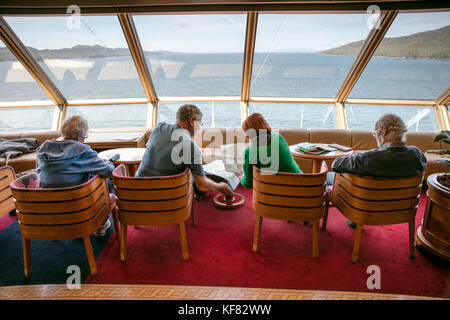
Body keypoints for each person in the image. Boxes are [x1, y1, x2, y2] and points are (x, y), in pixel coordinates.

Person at [331, 113, 427, 228]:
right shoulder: (417, 154)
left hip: (367, 207)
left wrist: (358, 157)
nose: (375, 135)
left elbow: (336, 165)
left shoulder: (369, 158)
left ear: (383, 131)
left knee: (331, 176)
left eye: (375, 131)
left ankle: (355, 217)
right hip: (403, 208)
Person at [36, 115, 115, 237]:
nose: (84, 139)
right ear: (79, 136)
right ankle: (101, 223)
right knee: (102, 178)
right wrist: (109, 162)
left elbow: (38, 171)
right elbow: (107, 171)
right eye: (85, 136)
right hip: (77, 205)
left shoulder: (44, 149)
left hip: (47, 206)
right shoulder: (83, 150)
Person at [136, 104, 233, 199]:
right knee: (195, 173)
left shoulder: (159, 128)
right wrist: (221, 187)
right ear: (192, 121)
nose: (199, 128)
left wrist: (194, 150)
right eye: (200, 124)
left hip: (135, 192)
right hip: (162, 197)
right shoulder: (190, 145)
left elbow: (164, 146)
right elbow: (202, 185)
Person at [239, 113, 303, 189]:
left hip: (276, 193)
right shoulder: (278, 137)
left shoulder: (249, 152)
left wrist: (240, 177)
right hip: (302, 184)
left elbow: (248, 184)